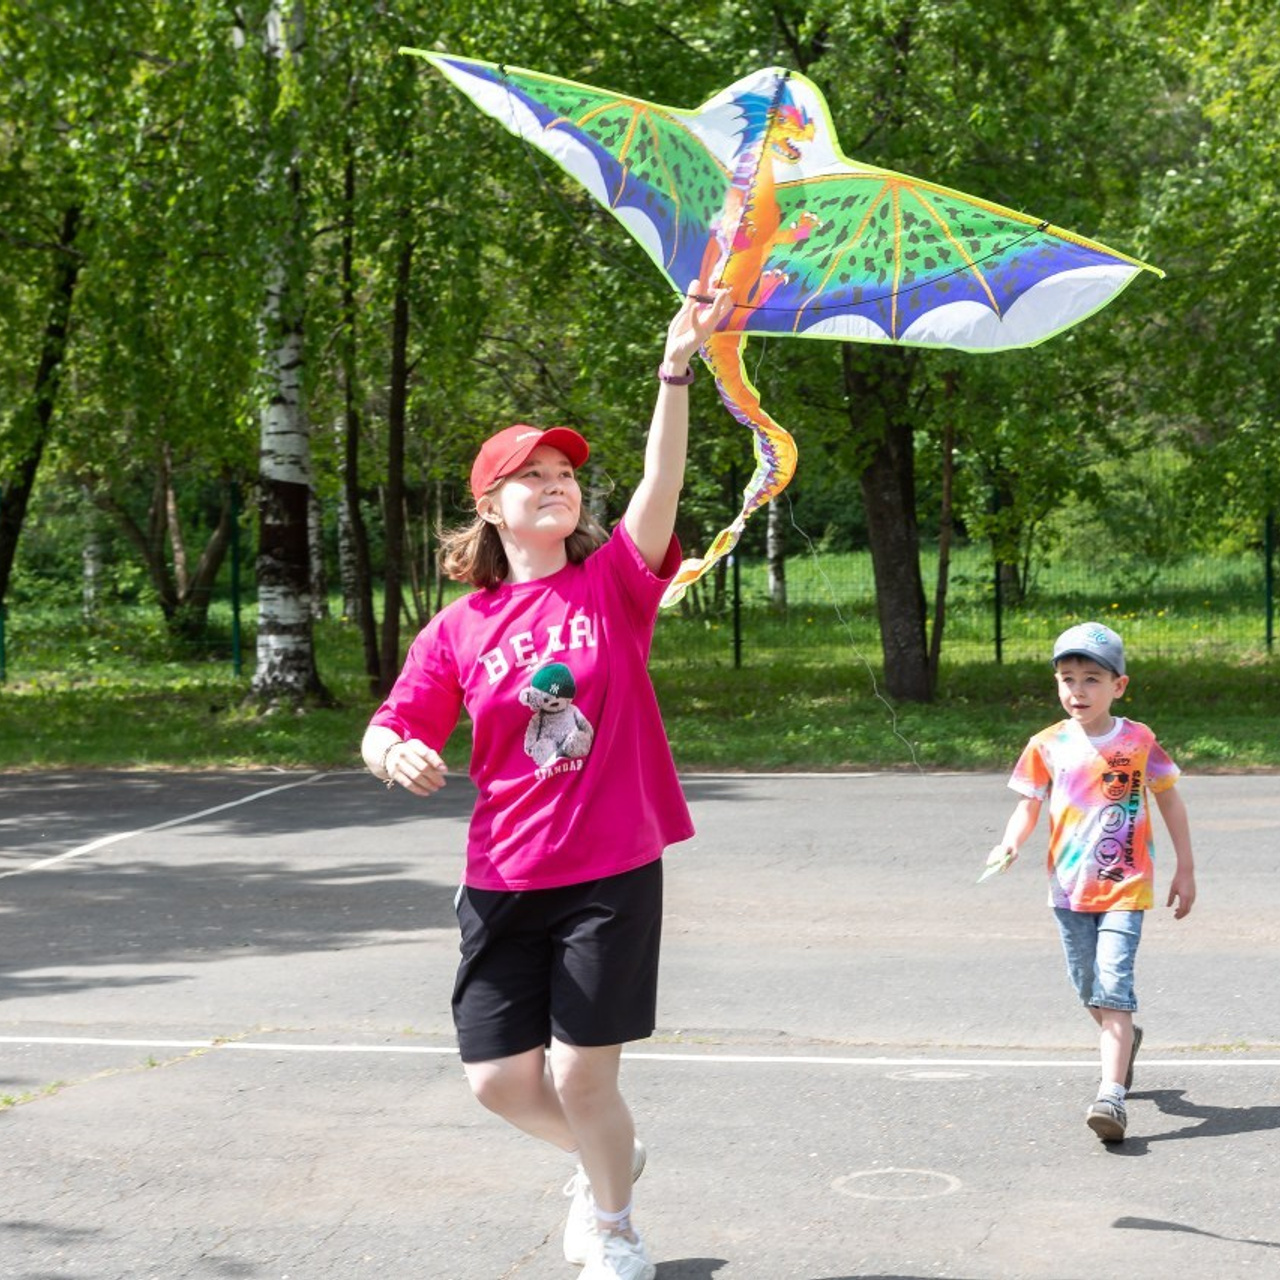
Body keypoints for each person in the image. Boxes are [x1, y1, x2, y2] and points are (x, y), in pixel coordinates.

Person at [361, 281, 733, 1280]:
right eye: (529, 474)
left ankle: (611, 1223)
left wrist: (674, 365)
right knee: (495, 1080)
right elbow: (392, 720)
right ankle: (607, 1155)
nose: (554, 481)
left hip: (607, 868)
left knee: (578, 1070)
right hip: (499, 874)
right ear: (490, 505)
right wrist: (388, 747)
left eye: (564, 470)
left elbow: (660, 482)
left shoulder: (611, 582)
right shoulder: (458, 626)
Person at [984, 621, 1196, 1143]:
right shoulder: (1047, 744)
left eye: (1091, 679)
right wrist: (1009, 843)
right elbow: (1027, 805)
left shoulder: (1138, 739)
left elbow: (1168, 797)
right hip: (1068, 890)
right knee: (1090, 989)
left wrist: (1185, 867)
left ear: (1118, 685)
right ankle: (1124, 1038)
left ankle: (1111, 1097)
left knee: (1114, 986)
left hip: (1126, 887)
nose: (1077, 691)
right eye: (1067, 679)